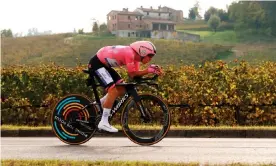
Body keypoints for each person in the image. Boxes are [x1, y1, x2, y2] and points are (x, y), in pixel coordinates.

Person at [88, 41, 162, 132]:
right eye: (150, 56)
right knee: (114, 90)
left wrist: (151, 72)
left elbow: (135, 76)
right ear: (143, 52)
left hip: (103, 65)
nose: (150, 59)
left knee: (121, 89)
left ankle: (97, 106)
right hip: (96, 64)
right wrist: (148, 70)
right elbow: (132, 73)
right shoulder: (129, 53)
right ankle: (104, 122)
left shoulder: (136, 59)